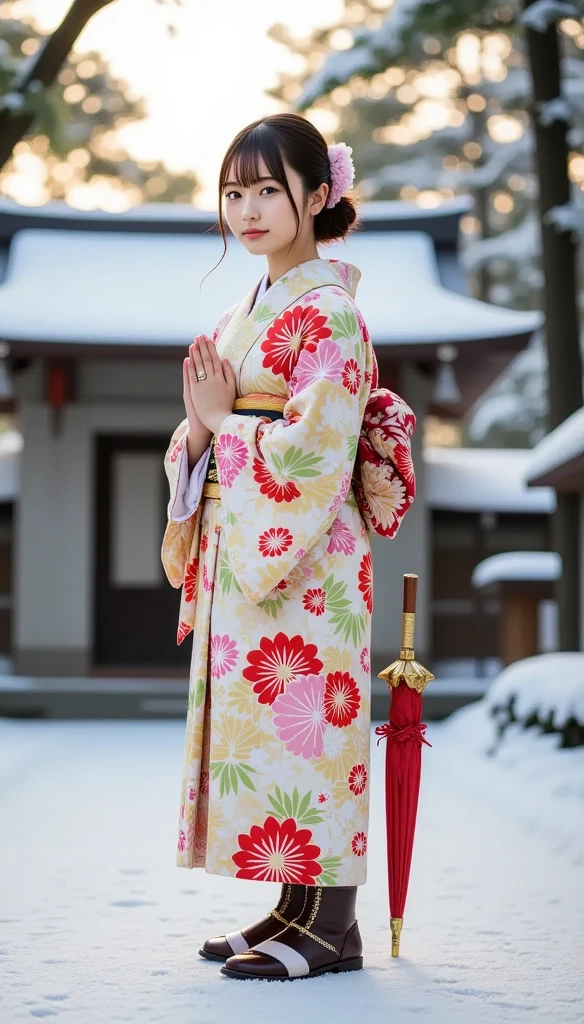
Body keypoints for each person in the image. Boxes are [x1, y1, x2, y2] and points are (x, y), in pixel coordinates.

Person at [161, 113, 416, 981]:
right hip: (247, 541)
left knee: (315, 729)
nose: (249, 208)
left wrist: (221, 421)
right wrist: (199, 435)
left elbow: (315, 446)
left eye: (270, 188)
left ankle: (333, 924)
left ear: (317, 194)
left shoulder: (330, 313)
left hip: (305, 552)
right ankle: (293, 905)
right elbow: (214, 421)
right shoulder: (248, 312)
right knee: (267, 734)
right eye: (235, 191)